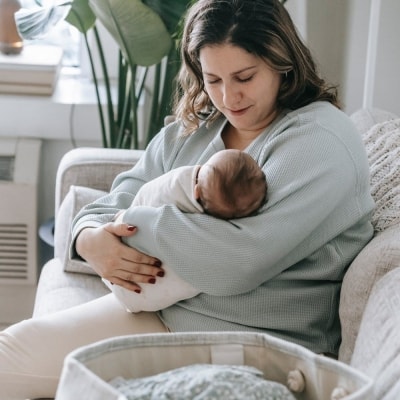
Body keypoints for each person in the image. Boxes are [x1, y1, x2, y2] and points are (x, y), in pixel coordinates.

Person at [0, 0, 375, 398]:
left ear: (282, 63)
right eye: (213, 80)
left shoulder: (320, 140)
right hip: (163, 312)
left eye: (244, 77)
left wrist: (135, 225)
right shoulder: (194, 130)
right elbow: (116, 197)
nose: (229, 97)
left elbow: (237, 262)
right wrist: (90, 238)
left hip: (250, 339)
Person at [104, 148, 267, 313]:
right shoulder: (175, 150)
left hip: (140, 290)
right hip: (130, 278)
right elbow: (133, 196)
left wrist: (125, 216)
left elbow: (147, 194)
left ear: (196, 191)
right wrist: (88, 234)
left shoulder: (180, 184)